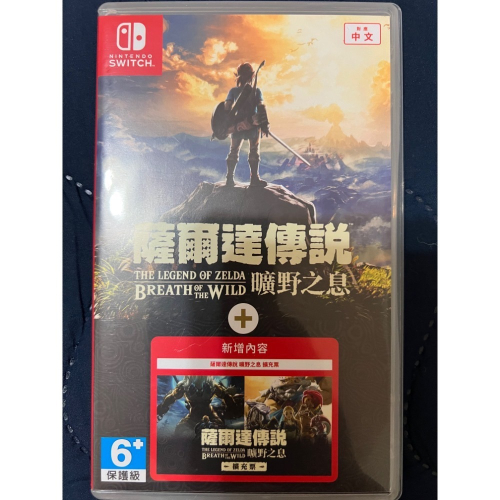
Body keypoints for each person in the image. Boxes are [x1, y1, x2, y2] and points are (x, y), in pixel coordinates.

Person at [224, 62, 270, 187]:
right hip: (252, 125)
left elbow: (227, 108)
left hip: (238, 125)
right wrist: (264, 124)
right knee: (253, 150)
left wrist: (228, 124)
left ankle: (229, 179)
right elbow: (261, 106)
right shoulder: (256, 91)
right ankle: (254, 179)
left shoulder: (233, 91)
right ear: (251, 76)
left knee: (234, 151)